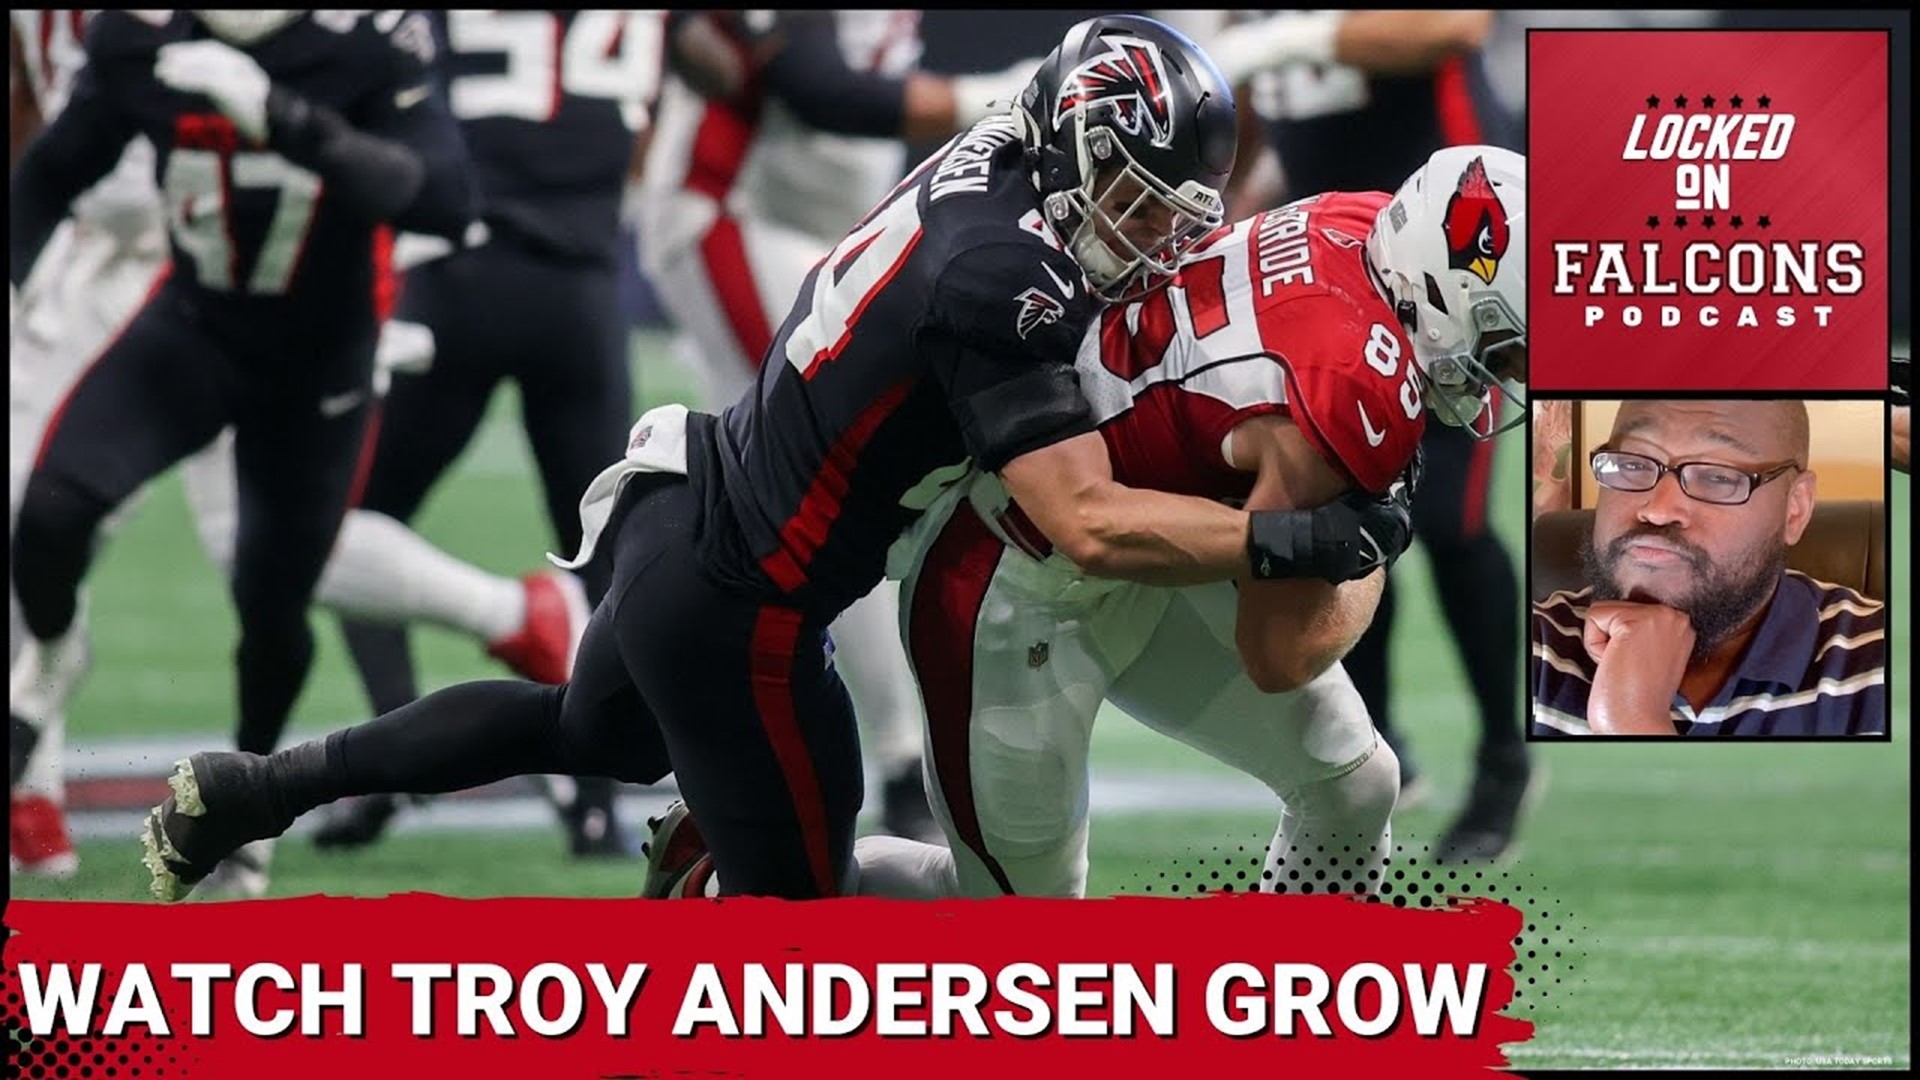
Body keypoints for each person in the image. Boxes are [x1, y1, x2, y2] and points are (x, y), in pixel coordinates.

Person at [141, 15, 1413, 902]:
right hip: (746, 609)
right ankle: (707, 880)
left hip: (684, 504)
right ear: (1078, 153)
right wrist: (1276, 536)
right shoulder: (1002, 278)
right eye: (1138, 205)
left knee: (588, 730)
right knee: (803, 936)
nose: (1149, 242)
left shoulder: (1000, 164)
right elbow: (1082, 522)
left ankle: (262, 786)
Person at [645, 145, 1529, 900]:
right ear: (1446, 291)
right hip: (1012, 580)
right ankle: (725, 876)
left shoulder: (1363, 223)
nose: (1506, 376)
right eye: (1507, 346)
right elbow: (1280, 651)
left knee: (1354, 782)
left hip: (1145, 544)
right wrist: (1375, 537)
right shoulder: (1354, 383)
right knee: (1017, 925)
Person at [5, 10, 577, 884]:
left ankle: (249, 803)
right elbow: (50, 173)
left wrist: (287, 118)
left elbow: (445, 195)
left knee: (271, 610)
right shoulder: (142, 33)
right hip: (194, 320)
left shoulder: (369, 35)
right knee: (49, 507)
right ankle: (49, 657)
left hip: (319, 361)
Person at [636, 9, 1037, 842]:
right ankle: (895, 757)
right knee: (824, 476)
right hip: (733, 212)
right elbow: (823, 89)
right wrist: (998, 97)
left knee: (820, 482)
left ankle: (695, 712)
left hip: (834, 227)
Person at [1182, 8, 1533, 863]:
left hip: (1451, 271)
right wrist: (1230, 192)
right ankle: (1384, 746)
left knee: (1448, 520)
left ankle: (1503, 761)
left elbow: (1451, 25)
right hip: (1332, 270)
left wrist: (1281, 41)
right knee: (1341, 502)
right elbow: (1255, 97)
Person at [321, 9, 668, 856]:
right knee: (597, 555)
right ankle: (593, 805)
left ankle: (393, 761)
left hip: (458, 278)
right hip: (580, 293)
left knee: (348, 526)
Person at [1531, 400, 1887, 737]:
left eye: (1718, 477)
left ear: (1794, 509)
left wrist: (1631, 722)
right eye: (1633, 464)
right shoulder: (1529, 645)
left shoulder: (1878, 664)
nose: (1658, 510)